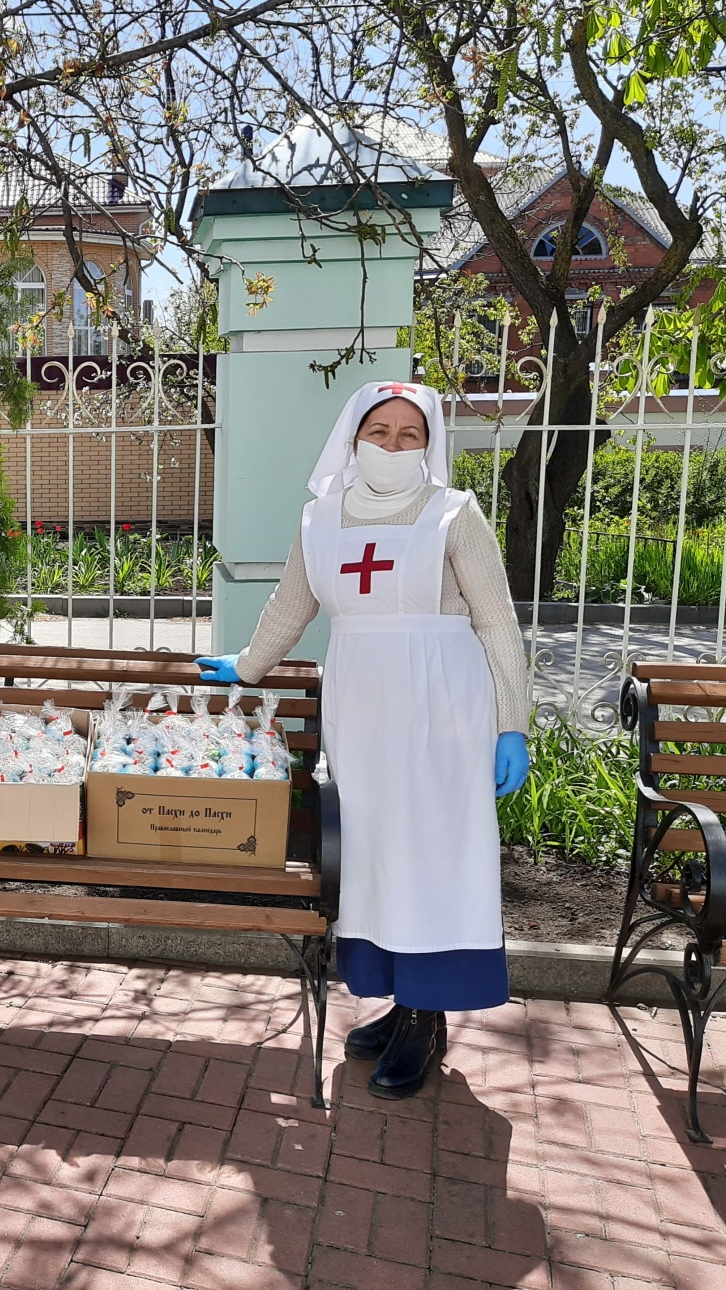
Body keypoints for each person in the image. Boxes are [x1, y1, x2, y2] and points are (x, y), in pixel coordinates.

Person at [197, 380, 530, 1100]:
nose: (393, 445)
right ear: (353, 437)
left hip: (441, 709)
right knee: (374, 853)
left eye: (411, 434)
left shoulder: (454, 514)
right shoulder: (320, 519)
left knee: (431, 854)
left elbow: (498, 621)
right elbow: (294, 601)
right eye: (379, 430)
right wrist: (249, 665)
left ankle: (426, 1015)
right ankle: (395, 1000)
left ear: (430, 443)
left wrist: (513, 724)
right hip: (363, 708)